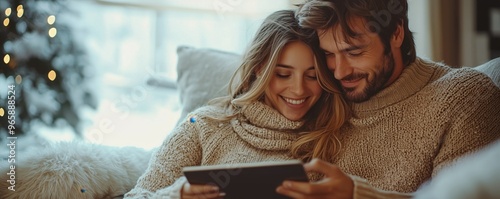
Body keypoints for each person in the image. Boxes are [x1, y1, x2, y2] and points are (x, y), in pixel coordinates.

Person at [276, 0, 500, 198]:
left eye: (354, 52)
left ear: (396, 33)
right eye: (328, 54)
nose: (339, 72)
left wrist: (358, 196)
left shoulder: (464, 97)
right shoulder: (324, 96)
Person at [124, 9, 349, 199]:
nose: (299, 90)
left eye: (312, 77)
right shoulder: (202, 125)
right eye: (282, 74)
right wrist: (177, 194)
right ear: (259, 69)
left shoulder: (336, 138)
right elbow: (138, 195)